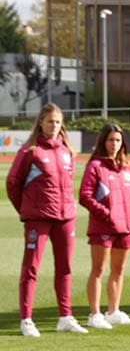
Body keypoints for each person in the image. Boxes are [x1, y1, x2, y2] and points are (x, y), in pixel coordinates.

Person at [8, 103, 88, 336]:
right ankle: (26, 320)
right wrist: (27, 209)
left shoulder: (66, 151)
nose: (54, 125)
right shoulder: (30, 151)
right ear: (41, 122)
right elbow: (13, 184)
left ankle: (65, 316)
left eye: (58, 122)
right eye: (50, 121)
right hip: (38, 219)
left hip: (65, 218)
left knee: (65, 268)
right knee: (31, 267)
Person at [78, 124, 130, 328]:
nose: (114, 144)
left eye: (118, 140)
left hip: (125, 228)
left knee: (119, 269)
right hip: (103, 227)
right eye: (110, 140)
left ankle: (113, 311)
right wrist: (106, 214)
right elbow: (85, 196)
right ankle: (95, 314)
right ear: (103, 142)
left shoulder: (128, 167)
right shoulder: (96, 166)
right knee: (98, 269)